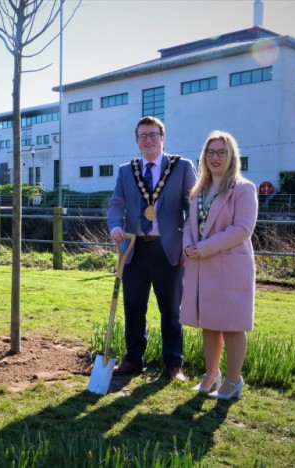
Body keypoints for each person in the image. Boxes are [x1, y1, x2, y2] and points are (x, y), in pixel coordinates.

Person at [107, 116, 198, 381]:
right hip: (133, 249)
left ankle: (173, 363)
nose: (148, 140)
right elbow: (116, 204)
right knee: (134, 307)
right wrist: (114, 227)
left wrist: (187, 244)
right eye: (143, 136)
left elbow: (192, 210)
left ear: (162, 138)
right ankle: (133, 360)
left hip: (168, 249)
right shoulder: (127, 170)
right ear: (137, 141)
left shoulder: (182, 167)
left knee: (170, 310)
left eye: (153, 134)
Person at [181, 130, 258, 400]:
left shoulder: (244, 188)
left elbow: (243, 229)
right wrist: (188, 244)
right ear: (204, 157)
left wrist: (202, 248)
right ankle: (210, 375)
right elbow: (191, 223)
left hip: (229, 268)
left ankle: (234, 380)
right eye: (210, 152)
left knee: (233, 324)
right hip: (202, 267)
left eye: (221, 152)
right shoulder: (198, 190)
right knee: (209, 323)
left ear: (231, 156)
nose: (215, 157)